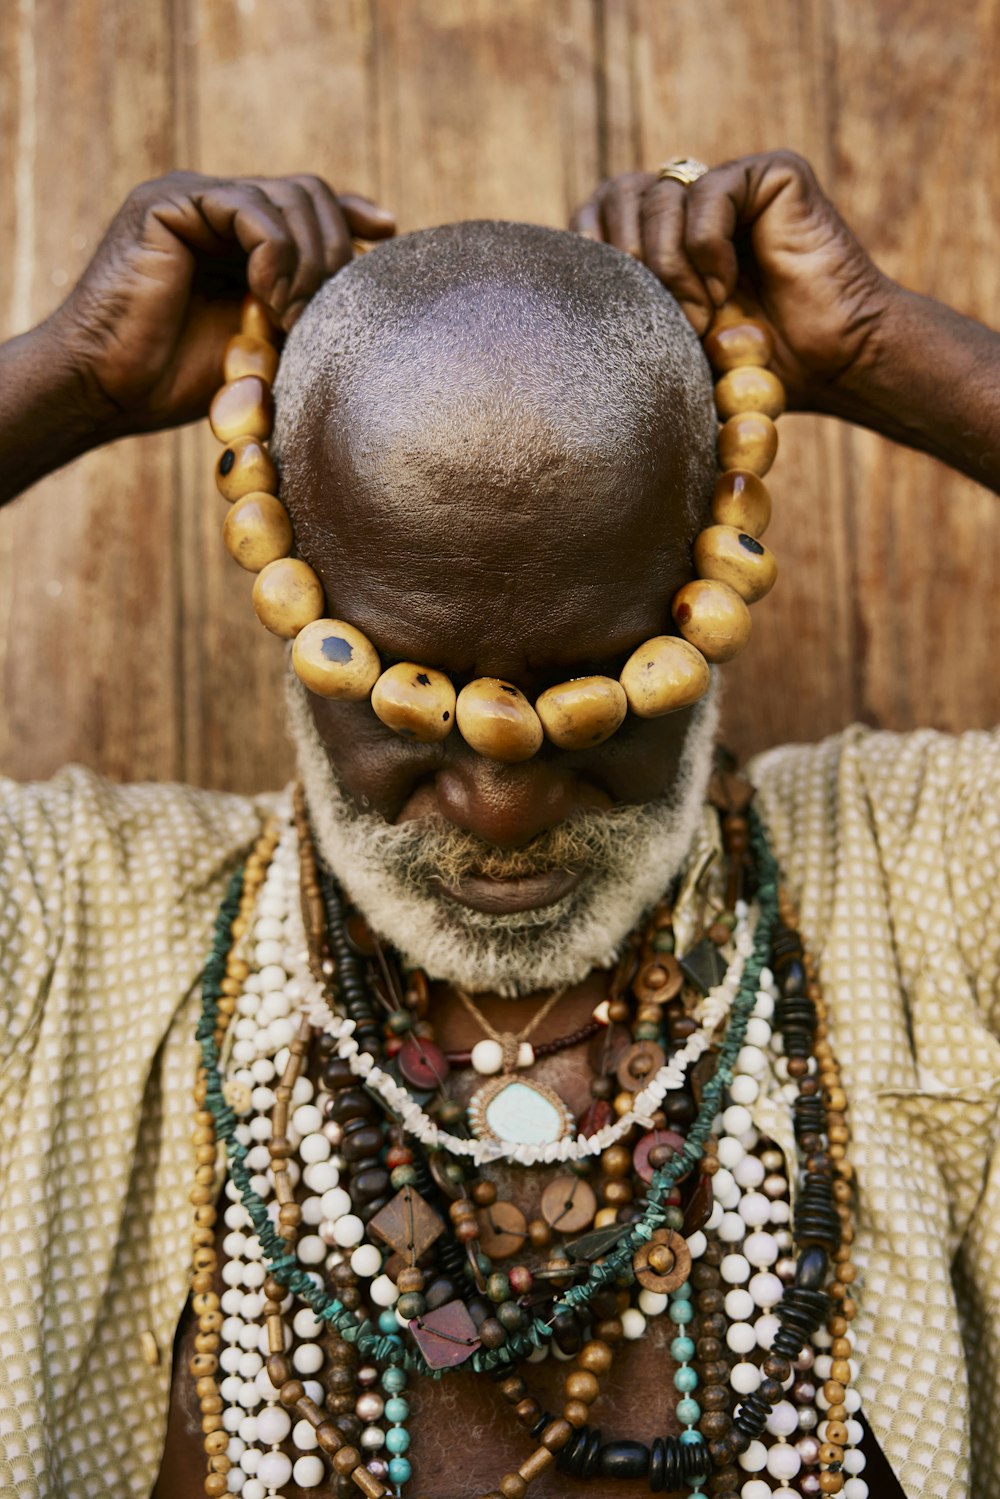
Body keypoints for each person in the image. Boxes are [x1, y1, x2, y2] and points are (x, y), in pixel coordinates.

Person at [0, 151, 997, 1499]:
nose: (500, 801)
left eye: (599, 705)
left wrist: (886, 349)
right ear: (295, 606)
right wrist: (70, 377)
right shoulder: (82, 924)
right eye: (404, 707)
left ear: (711, 580)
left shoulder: (924, 879)